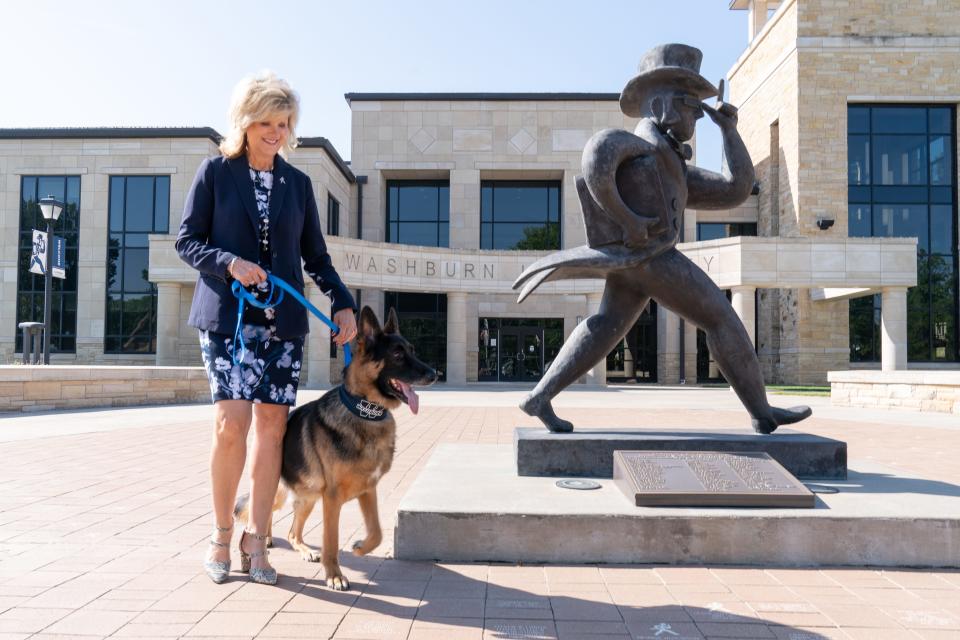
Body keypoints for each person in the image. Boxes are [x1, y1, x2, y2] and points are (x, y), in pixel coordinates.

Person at [514, 44, 811, 435]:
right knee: (721, 319)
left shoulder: (671, 161)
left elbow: (736, 190)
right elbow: (596, 156)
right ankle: (761, 412)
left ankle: (540, 396)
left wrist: (729, 132)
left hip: (635, 263)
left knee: (606, 326)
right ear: (663, 106)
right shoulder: (643, 146)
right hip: (652, 257)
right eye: (690, 106)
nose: (696, 116)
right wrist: (628, 219)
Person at [176, 71, 357, 584]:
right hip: (228, 323)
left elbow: (315, 257)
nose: (275, 132)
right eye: (266, 122)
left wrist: (342, 303)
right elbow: (187, 242)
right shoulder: (215, 173)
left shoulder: (298, 185)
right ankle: (220, 534)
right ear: (246, 122)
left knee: (272, 430)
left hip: (283, 327)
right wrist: (228, 262)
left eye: (284, 122)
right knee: (231, 425)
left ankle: (259, 539)